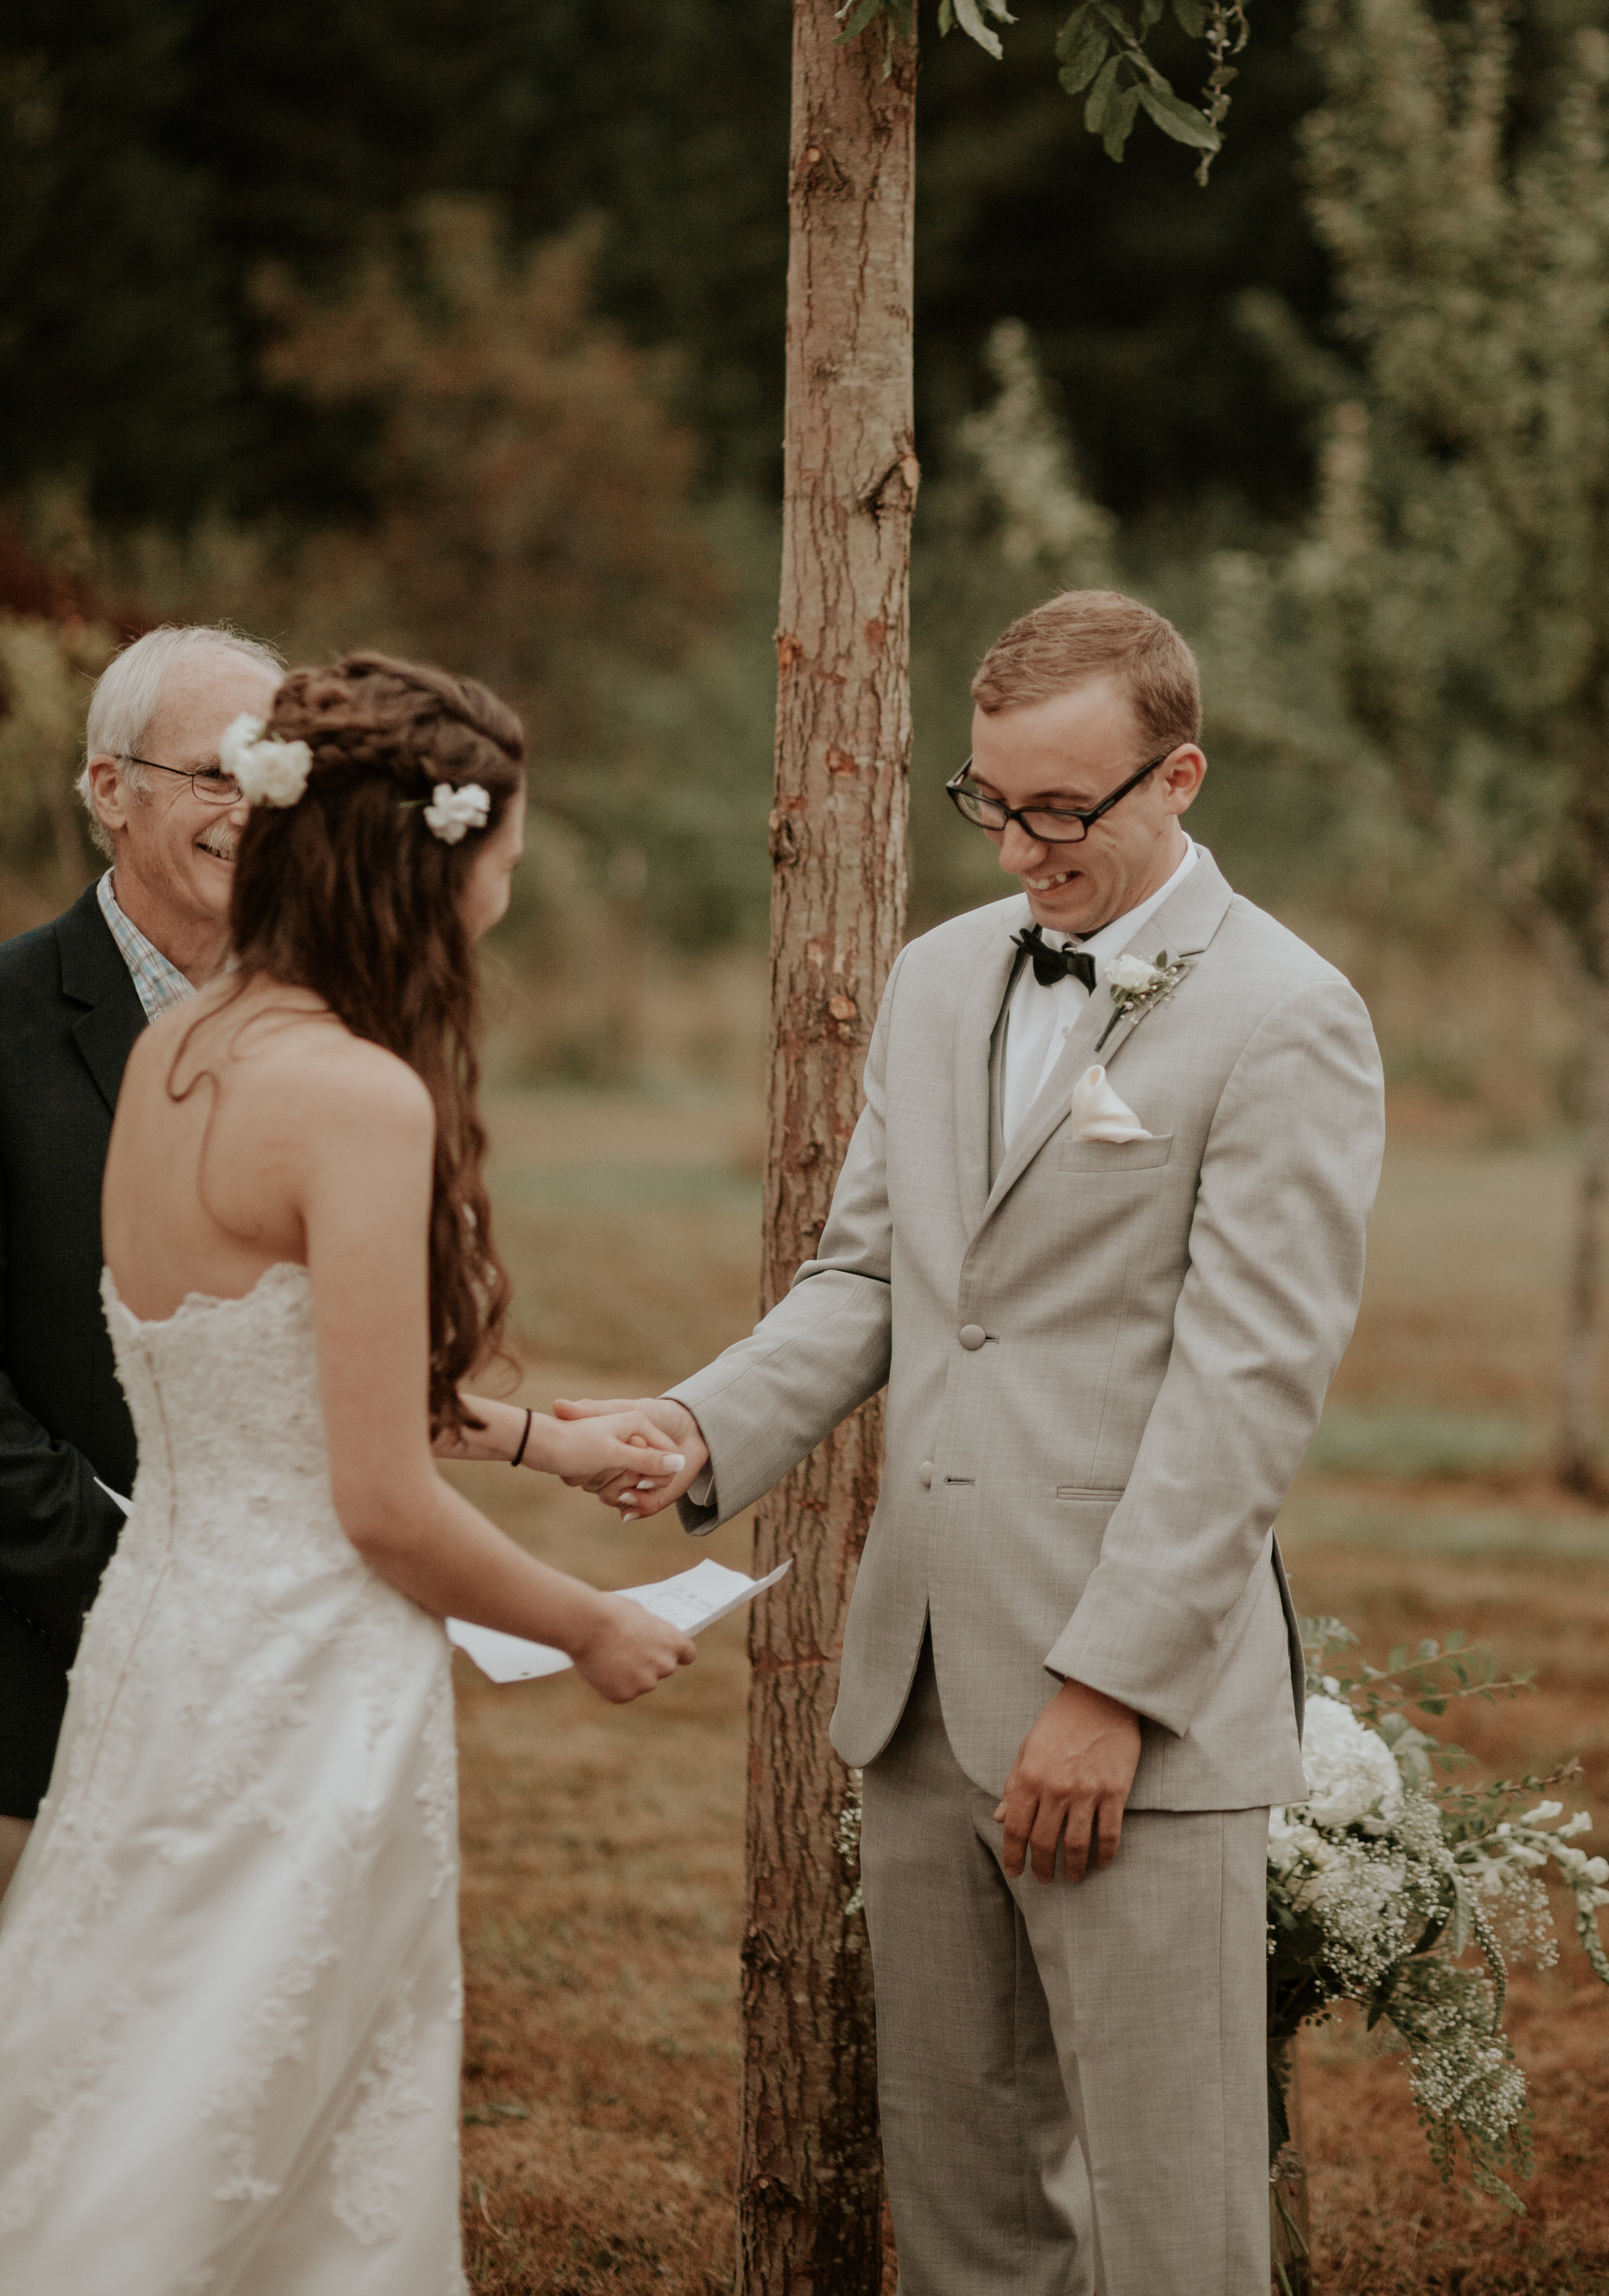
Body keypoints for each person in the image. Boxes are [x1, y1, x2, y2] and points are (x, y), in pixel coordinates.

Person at [575, 589, 1387, 2296]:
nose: (1018, 851)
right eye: (990, 803)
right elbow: (870, 1278)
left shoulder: (1285, 1015)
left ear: (1178, 777)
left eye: (1058, 813)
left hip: (1128, 1715)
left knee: (1173, 2224)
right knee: (962, 2220)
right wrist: (700, 1423)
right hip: (922, 1689)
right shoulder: (942, 978)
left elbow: (1245, 1391)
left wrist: (1110, 1688)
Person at [0, 651, 693, 2294]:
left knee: (127, 2068)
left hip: (162, 1654)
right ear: (431, 864)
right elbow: (377, 1500)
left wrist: (543, 1436)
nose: (510, 894)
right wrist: (590, 1626)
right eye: (506, 861)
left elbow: (275, 1377)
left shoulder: (186, 1061)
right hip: (301, 1674)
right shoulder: (355, 1096)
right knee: (257, 2111)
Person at [0, 621, 286, 1902]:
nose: (253, 807)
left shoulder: (335, 1036)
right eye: (217, 773)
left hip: (283, 1706)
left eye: (278, 774)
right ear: (111, 788)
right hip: (31, 1697)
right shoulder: (5, 1023)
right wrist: (142, 1586)